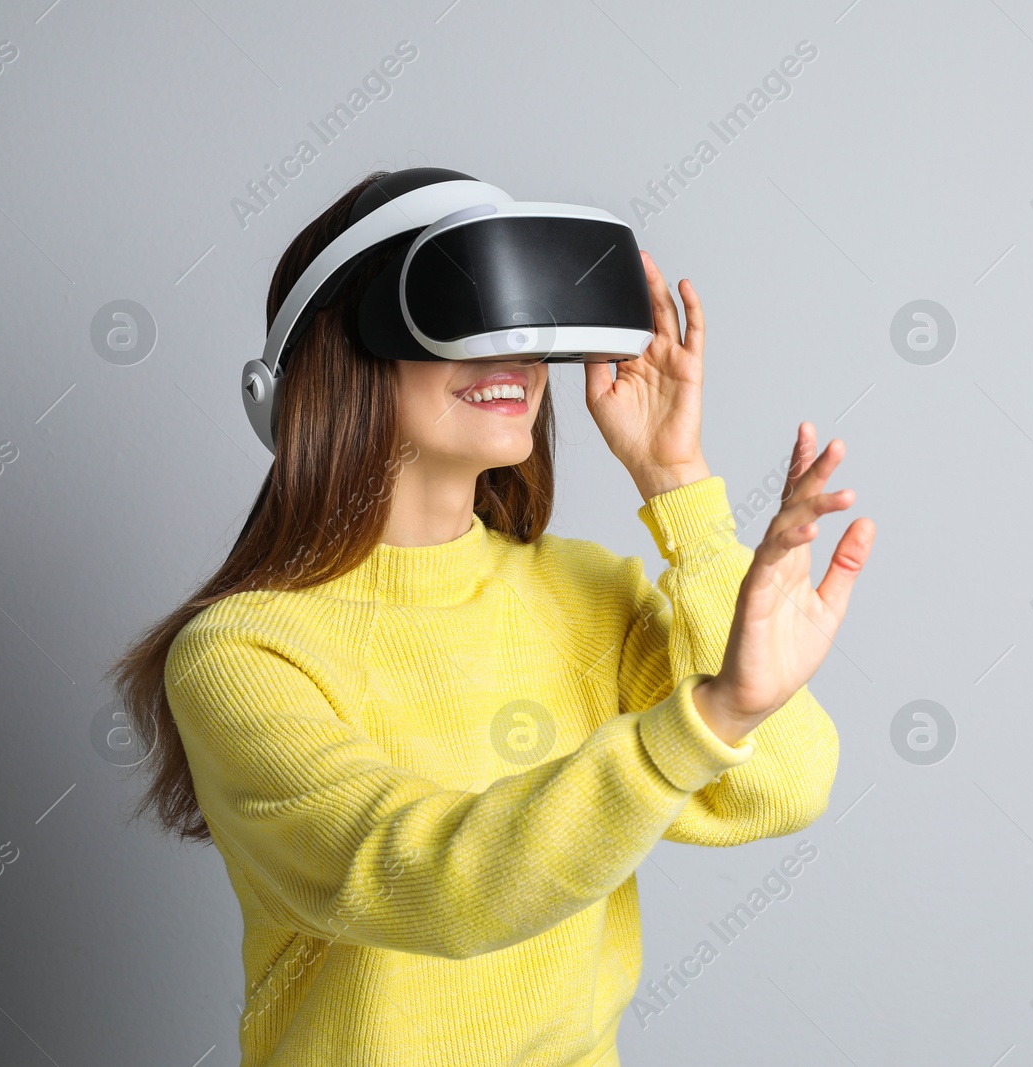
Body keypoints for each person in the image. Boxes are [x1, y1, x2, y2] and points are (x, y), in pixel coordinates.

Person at [106, 169, 875, 1066]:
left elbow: (780, 786)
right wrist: (704, 719)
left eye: (528, 326)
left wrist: (682, 491)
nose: (513, 356)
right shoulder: (244, 654)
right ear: (339, 352)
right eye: (462, 312)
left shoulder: (585, 592)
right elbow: (428, 884)